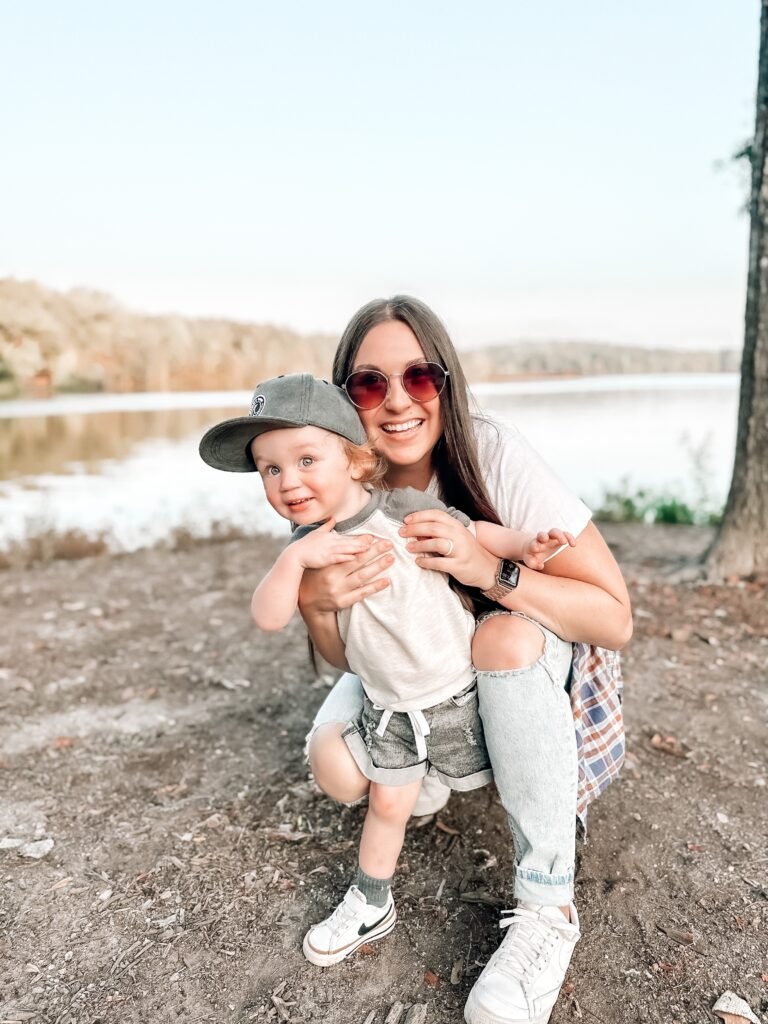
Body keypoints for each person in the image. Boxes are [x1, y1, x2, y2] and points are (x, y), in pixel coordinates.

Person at [297, 296, 632, 1024]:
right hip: (414, 680)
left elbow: (615, 619)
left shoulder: (492, 453)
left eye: (419, 377)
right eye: (369, 384)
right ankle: (429, 763)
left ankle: (547, 908)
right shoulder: (335, 477)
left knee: (499, 637)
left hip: (516, 659)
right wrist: (317, 604)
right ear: (344, 397)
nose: (396, 401)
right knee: (335, 768)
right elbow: (340, 656)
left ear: (445, 382)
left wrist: (489, 570)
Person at [198, 372, 576, 971]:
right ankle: (370, 900)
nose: (288, 481)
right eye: (270, 469)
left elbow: (471, 532)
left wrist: (523, 546)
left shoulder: (402, 508)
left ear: (353, 460)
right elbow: (268, 617)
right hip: (391, 709)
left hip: (460, 693)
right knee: (387, 806)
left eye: (305, 459)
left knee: (511, 781)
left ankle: (543, 893)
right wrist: (295, 562)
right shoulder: (305, 548)